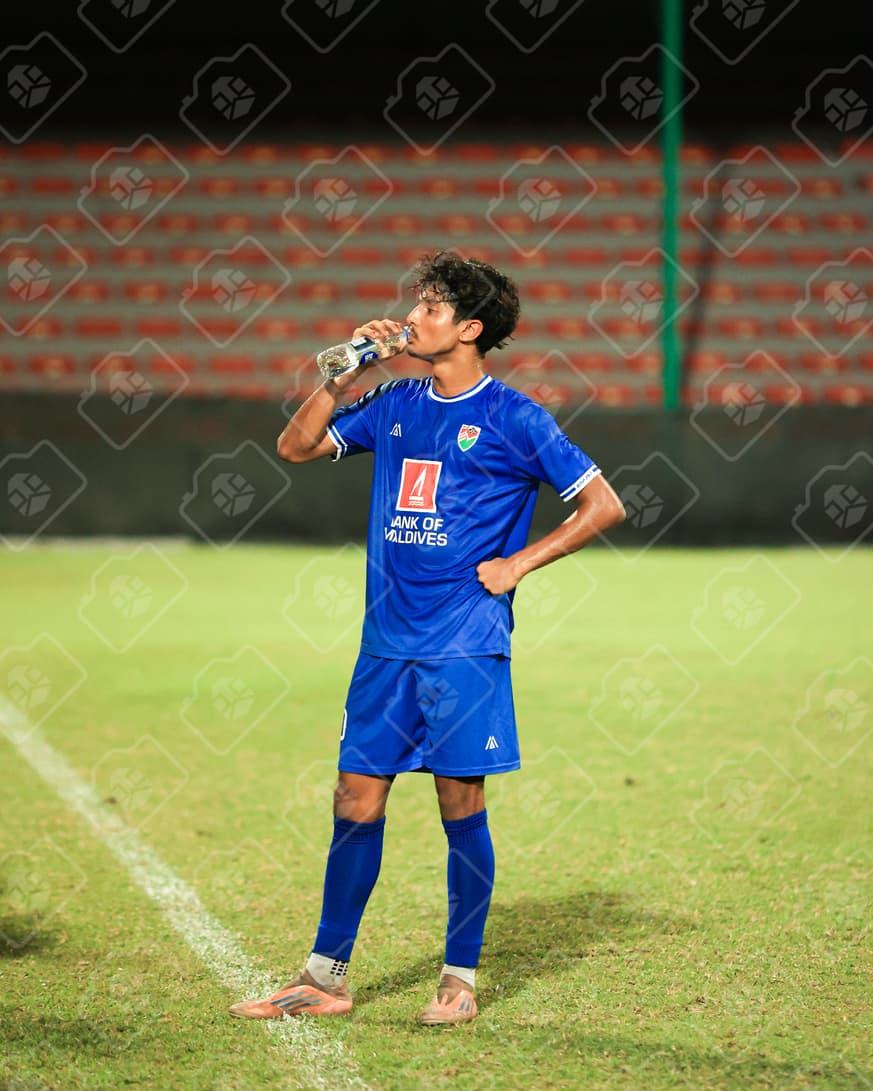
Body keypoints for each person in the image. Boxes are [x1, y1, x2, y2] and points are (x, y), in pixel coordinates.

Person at [229, 249, 625, 1026]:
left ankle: (458, 978)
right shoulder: (395, 399)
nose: (411, 317)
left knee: (458, 802)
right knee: (353, 797)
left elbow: (603, 504)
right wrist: (343, 376)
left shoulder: (514, 417)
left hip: (463, 644)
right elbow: (296, 448)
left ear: (469, 328)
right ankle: (323, 976)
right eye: (415, 303)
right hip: (385, 643)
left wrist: (519, 563)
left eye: (432, 308)